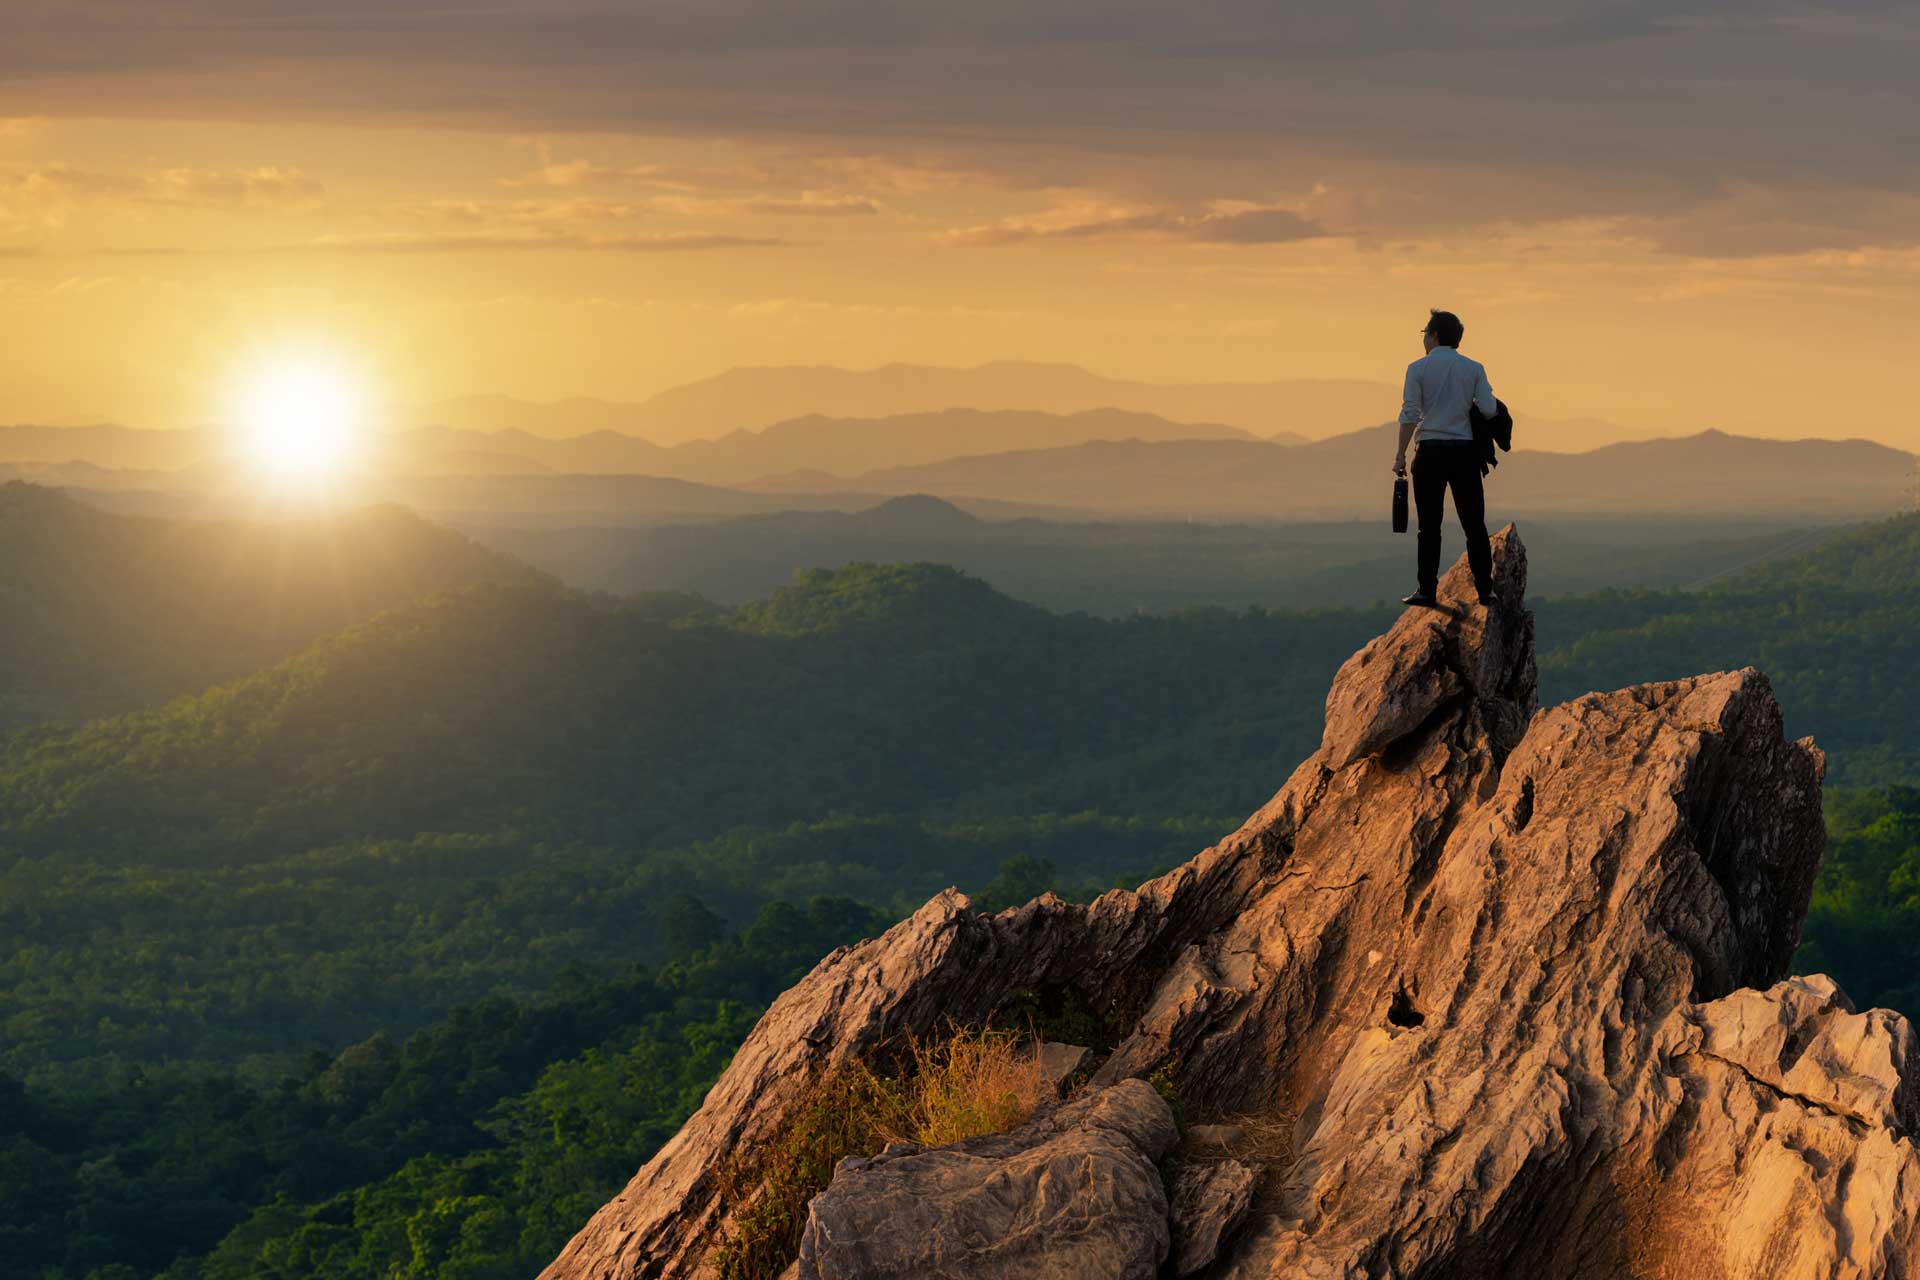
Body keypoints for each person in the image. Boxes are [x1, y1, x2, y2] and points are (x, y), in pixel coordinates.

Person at [1392, 309, 1498, 608]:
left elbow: (1410, 413)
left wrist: (1400, 454)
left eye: (1425, 332)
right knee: (1474, 524)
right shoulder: (1474, 368)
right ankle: (1485, 590)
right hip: (1464, 453)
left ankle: (1427, 591)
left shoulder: (1417, 369)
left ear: (1434, 335)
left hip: (1430, 452)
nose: (1423, 338)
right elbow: (1489, 409)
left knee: (1429, 526)